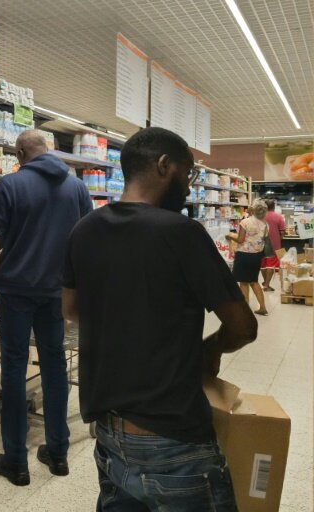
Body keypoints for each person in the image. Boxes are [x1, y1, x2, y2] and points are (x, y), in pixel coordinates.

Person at [62, 127, 257, 511]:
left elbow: (71, 311)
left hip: (109, 433)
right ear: (165, 166)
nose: (188, 187)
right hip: (173, 438)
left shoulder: (84, 230)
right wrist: (212, 347)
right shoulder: (183, 234)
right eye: (188, 173)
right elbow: (243, 327)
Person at [0, 130, 92, 485]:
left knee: (15, 368)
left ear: (20, 152)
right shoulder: (77, 187)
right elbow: (85, 238)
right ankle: (58, 453)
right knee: (54, 365)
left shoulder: (9, 185)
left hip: (15, 291)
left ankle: (16, 460)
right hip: (56, 291)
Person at [227, 199, 269, 315]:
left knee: (243, 282)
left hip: (244, 255)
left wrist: (230, 236)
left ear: (253, 209)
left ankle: (245, 309)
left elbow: (240, 239)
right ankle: (263, 307)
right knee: (254, 281)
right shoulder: (265, 224)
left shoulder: (245, 222)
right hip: (257, 256)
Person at [261, 199, 286, 291]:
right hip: (273, 244)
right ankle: (266, 285)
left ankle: (265, 282)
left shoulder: (260, 216)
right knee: (271, 264)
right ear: (274, 207)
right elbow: (282, 232)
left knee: (263, 264)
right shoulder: (278, 217)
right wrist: (279, 237)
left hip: (259, 243)